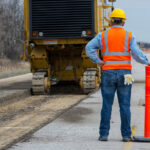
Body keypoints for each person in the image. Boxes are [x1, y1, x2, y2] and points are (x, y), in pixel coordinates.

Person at [85, 8, 150, 142]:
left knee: (107, 105)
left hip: (108, 73)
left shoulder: (103, 35)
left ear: (111, 21)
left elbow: (89, 48)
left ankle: (104, 135)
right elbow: (137, 54)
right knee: (125, 105)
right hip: (125, 74)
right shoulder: (129, 36)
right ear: (123, 23)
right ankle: (126, 135)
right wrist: (147, 62)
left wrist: (98, 61)